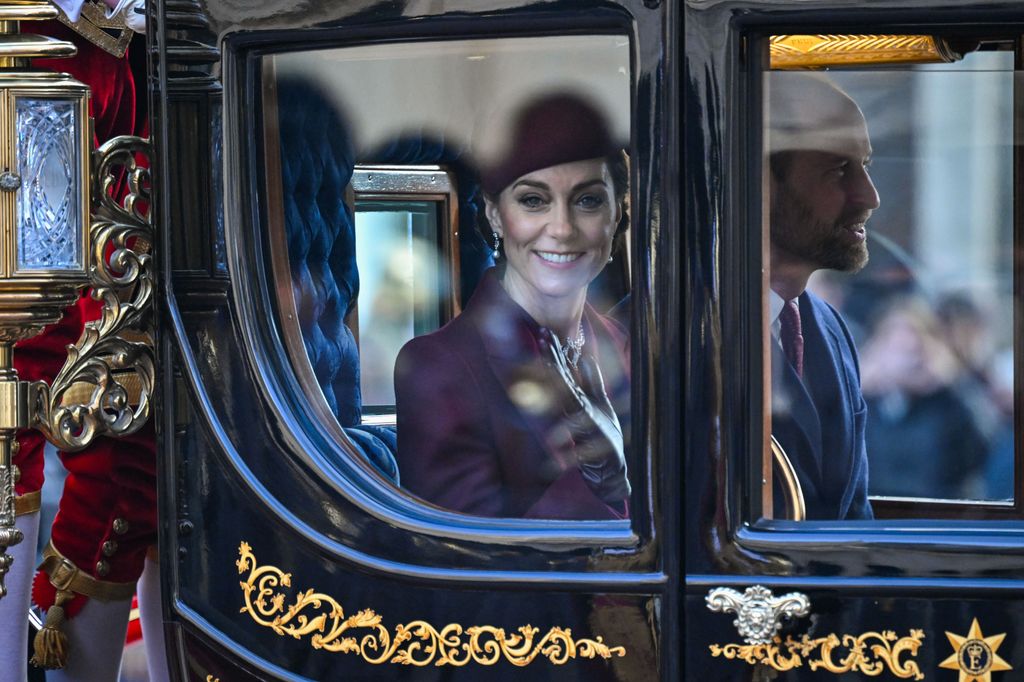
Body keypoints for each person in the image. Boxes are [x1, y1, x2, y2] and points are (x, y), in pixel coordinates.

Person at [394, 93, 631, 520]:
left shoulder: (630, 347)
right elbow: (468, 567)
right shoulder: (439, 367)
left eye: (588, 200)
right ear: (495, 215)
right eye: (533, 201)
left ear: (618, 215)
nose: (561, 229)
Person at [767, 73, 878, 520]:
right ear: (761, 186)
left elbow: (853, 515)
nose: (869, 196)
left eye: (865, 166)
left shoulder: (829, 327)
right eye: (838, 170)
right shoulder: (656, 335)